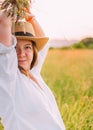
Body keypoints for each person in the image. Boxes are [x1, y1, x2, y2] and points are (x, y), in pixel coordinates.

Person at [0, 9, 65, 130]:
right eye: (15, 48)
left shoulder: (33, 73)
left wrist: (31, 19)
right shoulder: (9, 78)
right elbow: (3, 21)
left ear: (33, 51)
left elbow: (44, 44)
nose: (22, 54)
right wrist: (9, 5)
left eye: (27, 47)